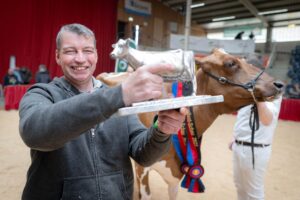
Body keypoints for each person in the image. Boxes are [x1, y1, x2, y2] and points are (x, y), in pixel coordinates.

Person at [19, 23, 187, 200]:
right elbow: (34, 133)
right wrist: (119, 95)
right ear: (57, 56)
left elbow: (143, 155)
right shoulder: (41, 94)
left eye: (88, 50)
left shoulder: (117, 98)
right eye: (70, 51)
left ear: (97, 55)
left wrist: (161, 131)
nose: (80, 58)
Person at [229, 96, 283, 200]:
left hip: (255, 149)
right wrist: (235, 136)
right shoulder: (248, 87)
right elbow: (243, 116)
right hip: (238, 145)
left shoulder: (272, 90)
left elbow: (267, 120)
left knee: (254, 193)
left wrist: (259, 99)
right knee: (240, 188)